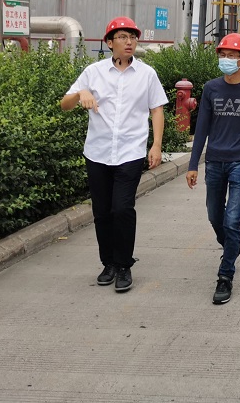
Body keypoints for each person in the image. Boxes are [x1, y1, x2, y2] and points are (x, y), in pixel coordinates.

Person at [60, 16, 168, 293]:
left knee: (122, 209)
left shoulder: (147, 74)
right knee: (102, 212)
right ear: (109, 43)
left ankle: (123, 265)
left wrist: (156, 145)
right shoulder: (93, 72)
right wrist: (81, 92)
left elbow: (157, 109)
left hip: (130, 151)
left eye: (132, 37)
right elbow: (65, 104)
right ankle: (108, 263)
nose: (129, 42)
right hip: (97, 152)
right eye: (122, 37)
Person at [185, 33, 240, 305]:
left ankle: (225, 275)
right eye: (222, 55)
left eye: (232, 56)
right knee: (214, 216)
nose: (226, 60)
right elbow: (201, 128)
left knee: (232, 219)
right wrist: (193, 164)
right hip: (214, 161)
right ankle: (233, 246)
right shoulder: (211, 88)